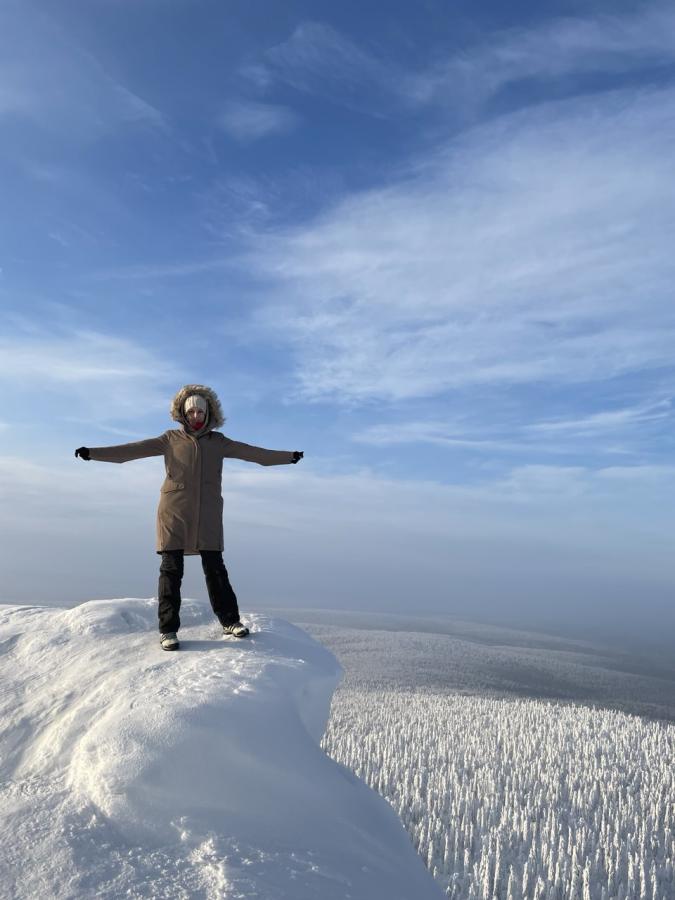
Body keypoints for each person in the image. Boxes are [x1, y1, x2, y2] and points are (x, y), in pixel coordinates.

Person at [75, 383, 303, 651]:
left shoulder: (219, 443)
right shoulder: (169, 439)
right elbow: (129, 451)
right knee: (171, 571)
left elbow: (255, 454)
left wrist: (288, 457)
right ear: (182, 413)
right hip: (174, 513)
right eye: (191, 411)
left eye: (200, 412)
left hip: (207, 514)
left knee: (215, 569)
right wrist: (93, 453)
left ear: (209, 414)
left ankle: (230, 621)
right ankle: (168, 630)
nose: (196, 416)